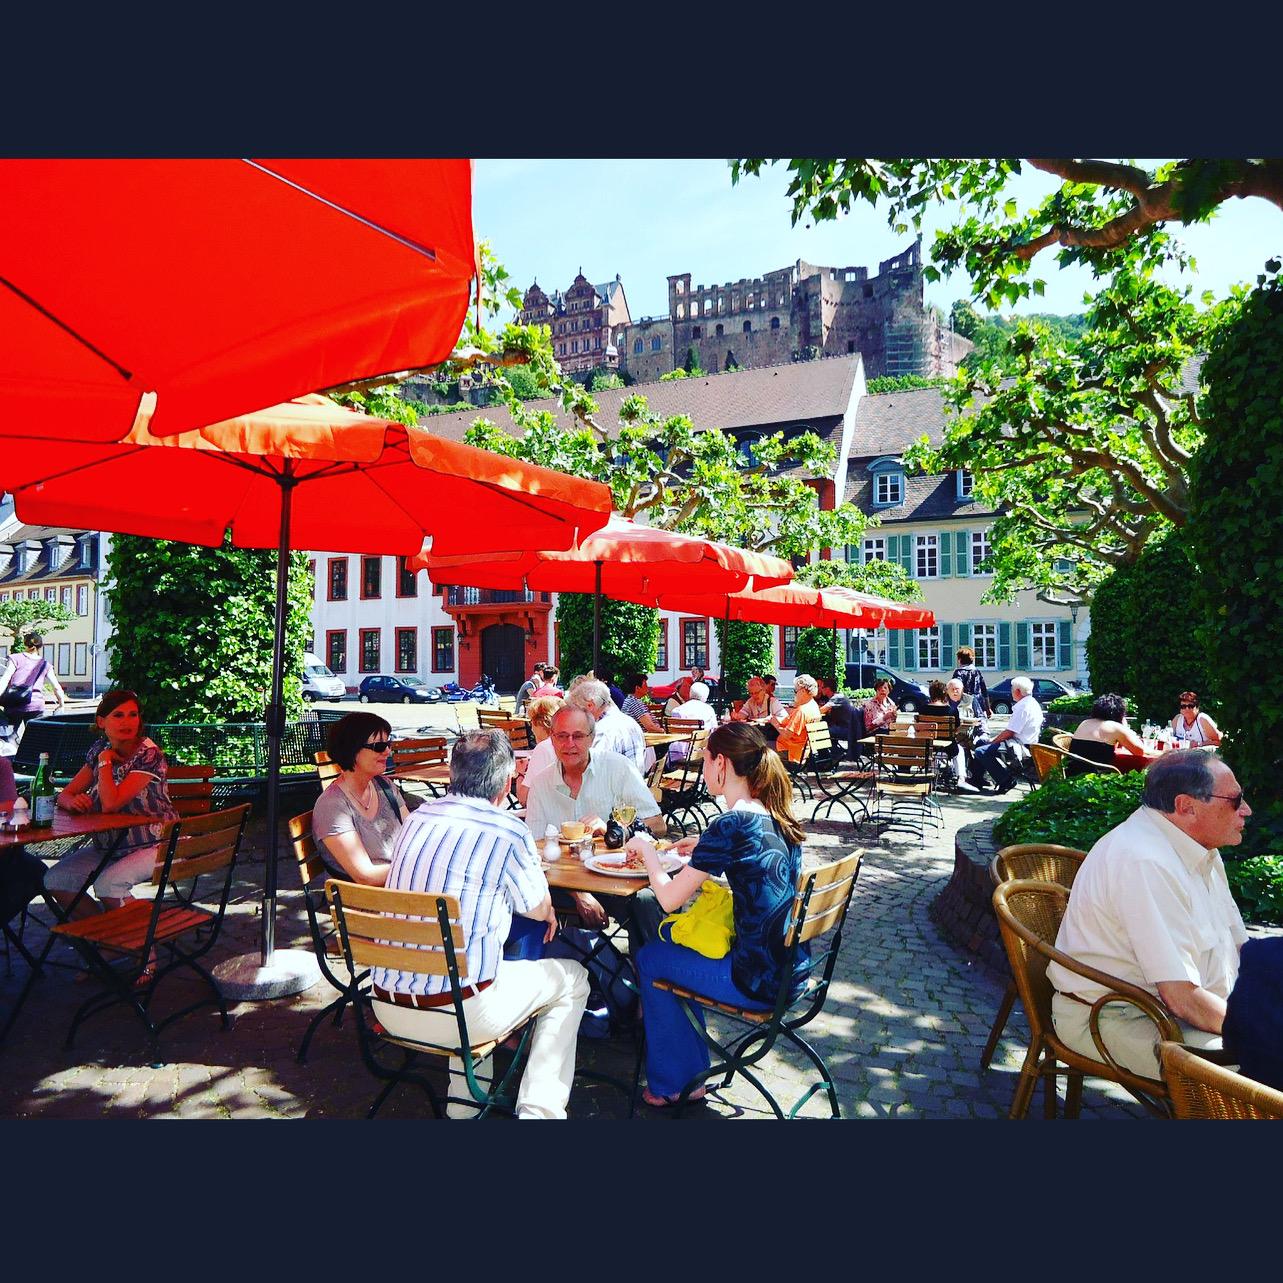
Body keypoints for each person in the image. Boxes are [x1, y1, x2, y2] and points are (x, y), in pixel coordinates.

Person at [373, 729, 590, 1119]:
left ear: (452, 773)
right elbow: (537, 909)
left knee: (472, 967)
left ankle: (466, 1107)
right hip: (462, 1013)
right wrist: (550, 908)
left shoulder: (417, 817)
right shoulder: (507, 830)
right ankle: (539, 1112)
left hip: (387, 1003)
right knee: (572, 978)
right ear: (507, 782)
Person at [629, 722, 810, 1108]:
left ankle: (668, 1085)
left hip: (758, 982)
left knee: (652, 958)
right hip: (793, 973)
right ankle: (690, 1076)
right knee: (672, 956)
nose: (704, 765)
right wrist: (706, 848)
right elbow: (755, 869)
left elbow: (667, 900)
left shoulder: (732, 822)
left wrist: (646, 851)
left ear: (722, 764)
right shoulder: (775, 814)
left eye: (706, 759)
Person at [1047, 750, 1250, 1078]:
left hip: (1181, 1011)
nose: (1246, 810)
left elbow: (1243, 949)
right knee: (1254, 1068)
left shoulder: (1201, 850)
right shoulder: (1146, 862)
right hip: (1118, 1017)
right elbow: (1182, 997)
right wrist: (1259, 1029)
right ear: (1186, 806)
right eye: (1235, 799)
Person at [524, 704, 666, 939]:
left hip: (615, 881)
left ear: (592, 738)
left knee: (646, 901)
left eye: (578, 736)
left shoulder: (617, 769)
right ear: (551, 739)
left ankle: (648, 973)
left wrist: (617, 829)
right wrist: (578, 893)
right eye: (562, 736)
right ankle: (564, 968)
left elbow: (659, 826)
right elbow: (533, 857)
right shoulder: (541, 783)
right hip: (563, 886)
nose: (570, 744)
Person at [48, 689, 178, 921]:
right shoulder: (100, 749)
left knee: (108, 885)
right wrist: (73, 801)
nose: (127, 722)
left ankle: (148, 948)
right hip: (110, 846)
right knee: (56, 879)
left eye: (133, 715)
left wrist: (106, 761)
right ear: (101, 721)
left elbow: (111, 804)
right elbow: (65, 794)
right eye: (118, 715)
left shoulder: (149, 754)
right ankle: (105, 939)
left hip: (155, 844)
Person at [312, 712, 410, 885]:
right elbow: (365, 877)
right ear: (352, 749)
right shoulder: (332, 806)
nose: (388, 751)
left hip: (398, 887)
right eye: (379, 746)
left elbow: (412, 836)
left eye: (388, 743)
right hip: (364, 900)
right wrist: (418, 867)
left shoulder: (385, 786)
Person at [969, 675, 1043, 794]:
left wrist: (993, 741)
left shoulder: (1023, 707)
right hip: (1025, 742)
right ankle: (977, 778)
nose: (1011, 692)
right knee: (981, 743)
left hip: (1020, 746)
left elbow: (1009, 732)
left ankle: (1005, 780)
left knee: (981, 751)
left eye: (1012, 689)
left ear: (1018, 691)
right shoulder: (1031, 702)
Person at [566, 678, 645, 772]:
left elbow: (592, 772)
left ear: (590, 705)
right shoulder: (630, 722)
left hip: (615, 785)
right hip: (633, 783)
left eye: (577, 709)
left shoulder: (602, 731)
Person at [0, 632, 67, 736]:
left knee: (8, 738)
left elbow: (5, 678)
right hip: (36, 705)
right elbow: (56, 687)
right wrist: (61, 704)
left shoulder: (15, 658)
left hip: (14, 704)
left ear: (25, 644)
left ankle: (13, 749)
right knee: (35, 740)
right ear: (40, 646)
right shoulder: (45, 664)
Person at [1066, 693, 1146, 776]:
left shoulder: (1084, 722)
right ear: (1119, 713)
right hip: (1097, 777)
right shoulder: (1115, 727)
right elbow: (1139, 751)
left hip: (1072, 773)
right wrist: (1125, 728)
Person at [516, 694, 562, 805]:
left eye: (532, 722)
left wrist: (520, 774)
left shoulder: (544, 748)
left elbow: (524, 798)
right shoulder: (569, 744)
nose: (531, 729)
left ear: (542, 723)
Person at [770, 673, 823, 763]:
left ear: (802, 691)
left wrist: (774, 723)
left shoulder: (802, 711)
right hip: (804, 750)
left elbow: (787, 735)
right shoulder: (813, 706)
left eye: (795, 691)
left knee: (759, 747)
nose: (794, 694)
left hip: (792, 752)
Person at [817, 675, 860, 761]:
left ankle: (833, 755)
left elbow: (821, 711)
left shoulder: (837, 698)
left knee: (819, 732)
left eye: (822, 687)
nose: (820, 689)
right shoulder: (838, 697)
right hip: (849, 728)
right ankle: (832, 755)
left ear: (828, 688)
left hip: (847, 730)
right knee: (825, 730)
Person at [951, 645, 992, 719]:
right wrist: (988, 708)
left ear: (959, 659)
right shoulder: (976, 672)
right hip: (979, 704)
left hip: (964, 705)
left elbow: (955, 691)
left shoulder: (958, 672)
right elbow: (984, 692)